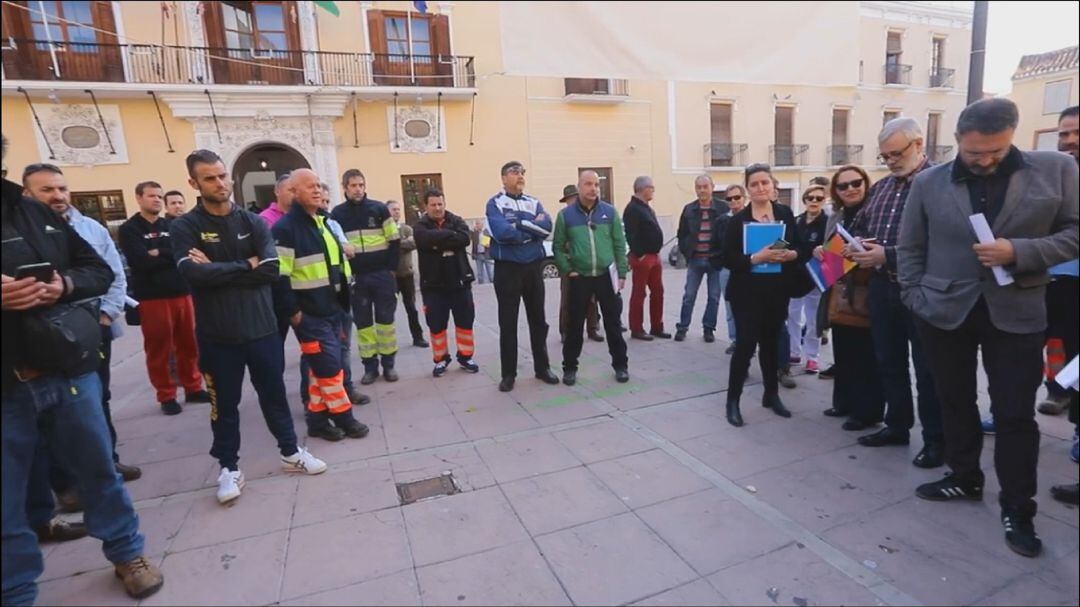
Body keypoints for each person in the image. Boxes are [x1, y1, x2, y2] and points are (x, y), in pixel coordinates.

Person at [899, 98, 1079, 557]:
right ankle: (964, 477)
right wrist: (915, 297)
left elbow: (1075, 232)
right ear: (958, 140)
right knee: (954, 400)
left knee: (1014, 415)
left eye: (995, 152)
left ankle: (1018, 508)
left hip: (1016, 313)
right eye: (974, 153)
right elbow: (911, 246)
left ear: (1012, 135)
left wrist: (1018, 251)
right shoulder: (928, 182)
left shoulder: (1055, 169)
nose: (984, 161)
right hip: (943, 311)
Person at [2, 134, 164, 604]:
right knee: (7, 497)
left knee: (98, 469)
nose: (57, 196)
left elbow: (98, 268)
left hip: (65, 370)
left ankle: (126, 552)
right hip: (6, 386)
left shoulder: (32, 213)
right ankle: (16, 589)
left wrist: (64, 285)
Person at [172, 154, 328, 503]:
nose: (220, 183)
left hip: (262, 330)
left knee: (274, 396)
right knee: (224, 406)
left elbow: (271, 269)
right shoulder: (186, 227)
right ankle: (228, 468)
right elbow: (193, 273)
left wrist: (220, 269)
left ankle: (291, 453)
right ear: (194, 184)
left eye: (223, 176)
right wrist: (247, 265)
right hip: (217, 336)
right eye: (210, 178)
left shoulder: (254, 222)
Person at [22, 164, 141, 487]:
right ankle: (66, 483)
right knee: (49, 411)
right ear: (26, 193)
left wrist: (106, 315)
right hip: (39, 337)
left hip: (91, 329)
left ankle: (108, 462)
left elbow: (112, 272)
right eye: (47, 190)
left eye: (61, 188)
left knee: (97, 399)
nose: (57, 196)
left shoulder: (89, 228)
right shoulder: (20, 233)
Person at [849, 117, 944, 469]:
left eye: (895, 154)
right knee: (889, 363)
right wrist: (854, 245)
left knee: (927, 370)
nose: (889, 161)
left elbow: (945, 244)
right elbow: (862, 227)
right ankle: (897, 425)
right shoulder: (882, 188)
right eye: (884, 156)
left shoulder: (940, 184)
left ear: (919, 144)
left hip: (920, 292)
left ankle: (936, 440)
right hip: (882, 288)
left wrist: (886, 254)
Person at [722, 163, 805, 427]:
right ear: (748, 189)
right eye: (755, 184)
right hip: (746, 294)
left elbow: (797, 244)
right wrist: (756, 257)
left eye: (765, 183)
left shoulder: (784, 213)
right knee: (745, 346)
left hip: (776, 291)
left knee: (770, 345)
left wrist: (791, 254)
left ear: (773, 186)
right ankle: (732, 401)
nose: (760, 188)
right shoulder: (737, 221)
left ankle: (771, 395)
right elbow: (727, 258)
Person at [119, 180, 208, 415]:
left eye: (159, 196)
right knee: (160, 348)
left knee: (189, 344)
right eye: (151, 196)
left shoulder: (172, 225)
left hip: (182, 292)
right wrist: (167, 256)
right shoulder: (130, 229)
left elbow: (185, 253)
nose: (157, 200)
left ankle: (192, 386)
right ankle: (166, 395)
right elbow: (140, 261)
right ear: (139, 198)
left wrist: (160, 252)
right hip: (152, 297)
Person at [816, 166, 886, 431]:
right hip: (841, 288)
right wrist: (821, 252)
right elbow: (830, 249)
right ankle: (844, 402)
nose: (850, 189)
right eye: (843, 186)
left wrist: (855, 249)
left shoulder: (875, 213)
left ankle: (867, 412)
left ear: (866, 184)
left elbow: (879, 247)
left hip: (867, 289)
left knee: (866, 354)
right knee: (843, 350)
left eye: (856, 183)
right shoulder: (837, 216)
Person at [485, 161, 561, 392]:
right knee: (507, 323)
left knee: (538, 320)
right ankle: (508, 373)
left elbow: (546, 227)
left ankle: (542, 367)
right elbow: (502, 232)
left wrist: (518, 225)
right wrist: (529, 228)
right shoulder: (494, 203)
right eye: (515, 172)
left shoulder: (533, 202)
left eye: (522, 172)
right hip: (507, 269)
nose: (520, 176)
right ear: (503, 177)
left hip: (533, 268)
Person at [294, 190, 370, 414]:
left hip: (340, 297)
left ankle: (344, 389)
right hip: (314, 302)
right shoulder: (297, 228)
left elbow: (349, 250)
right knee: (314, 355)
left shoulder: (330, 224)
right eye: (320, 201)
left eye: (326, 201)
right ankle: (311, 400)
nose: (324, 205)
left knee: (342, 349)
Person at [554, 170, 630, 385]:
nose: (593, 188)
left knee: (613, 324)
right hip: (580, 277)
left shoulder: (610, 212)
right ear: (579, 187)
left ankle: (621, 366)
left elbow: (619, 243)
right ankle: (569, 369)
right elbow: (558, 247)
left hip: (606, 276)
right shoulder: (565, 216)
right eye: (588, 184)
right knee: (574, 326)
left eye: (596, 184)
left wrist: (621, 273)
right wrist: (568, 269)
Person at [331, 170, 401, 384]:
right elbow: (333, 244)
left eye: (361, 184)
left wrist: (390, 269)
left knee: (386, 323)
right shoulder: (337, 214)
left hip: (382, 276)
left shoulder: (379, 209)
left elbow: (395, 240)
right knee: (363, 325)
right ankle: (370, 367)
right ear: (345, 187)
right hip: (357, 279)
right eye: (353, 185)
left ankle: (389, 366)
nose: (358, 189)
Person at [414, 189, 479, 376]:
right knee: (436, 325)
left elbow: (465, 238)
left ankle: (466, 357)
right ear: (425, 206)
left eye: (440, 204)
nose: (438, 208)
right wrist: (450, 238)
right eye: (433, 205)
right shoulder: (420, 226)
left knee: (465, 322)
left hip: (459, 282)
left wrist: (438, 241)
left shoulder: (456, 220)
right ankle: (440, 360)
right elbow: (424, 239)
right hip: (433, 286)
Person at [1050, 105, 1079, 506]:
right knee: (1058, 358)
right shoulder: (1056, 177)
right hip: (1050, 279)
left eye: (1076, 133)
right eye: (1064, 134)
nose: (1070, 141)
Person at [675, 174, 728, 343]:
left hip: (715, 261)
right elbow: (681, 233)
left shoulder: (723, 208)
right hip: (695, 260)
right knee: (689, 295)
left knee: (714, 297)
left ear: (712, 187)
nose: (702, 190)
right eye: (699, 187)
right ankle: (683, 327)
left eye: (705, 186)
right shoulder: (689, 209)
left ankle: (708, 329)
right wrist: (686, 252)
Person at [787, 184, 828, 372]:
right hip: (795, 276)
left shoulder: (829, 224)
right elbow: (786, 241)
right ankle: (793, 352)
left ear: (824, 200)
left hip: (816, 277)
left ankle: (812, 357)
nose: (814, 201)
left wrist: (824, 249)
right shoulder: (796, 221)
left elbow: (836, 247)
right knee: (792, 316)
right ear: (804, 200)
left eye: (819, 198)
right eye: (810, 198)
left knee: (813, 320)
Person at [623, 176, 669, 340]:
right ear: (643, 188)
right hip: (643, 257)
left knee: (658, 292)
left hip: (654, 256)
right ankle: (636, 328)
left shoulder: (646, 208)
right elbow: (631, 234)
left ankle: (657, 326)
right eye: (651, 187)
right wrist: (640, 254)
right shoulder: (632, 209)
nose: (653, 191)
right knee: (639, 292)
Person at [557, 184, 602, 344]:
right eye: (570, 199)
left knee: (591, 299)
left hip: (586, 264)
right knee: (567, 299)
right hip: (569, 263)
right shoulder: (563, 216)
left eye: (575, 198)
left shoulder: (586, 215)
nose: (573, 201)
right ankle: (565, 331)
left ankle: (592, 329)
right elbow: (559, 243)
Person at [389, 200, 428, 348]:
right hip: (390, 276)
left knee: (411, 307)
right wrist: (401, 243)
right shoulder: (383, 230)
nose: (397, 212)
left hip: (407, 275)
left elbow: (413, 243)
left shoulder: (406, 228)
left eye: (398, 209)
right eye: (393, 210)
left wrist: (394, 243)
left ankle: (418, 337)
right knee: (388, 310)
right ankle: (390, 342)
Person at [719, 184, 745, 353]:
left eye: (737, 197)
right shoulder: (722, 220)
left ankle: (749, 339)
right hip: (726, 269)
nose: (733, 201)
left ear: (744, 198)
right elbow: (715, 243)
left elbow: (784, 239)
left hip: (748, 268)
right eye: (729, 198)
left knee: (748, 307)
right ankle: (735, 340)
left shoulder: (752, 218)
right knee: (730, 307)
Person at [471, 219, 495, 285]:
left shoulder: (486, 232)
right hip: (478, 254)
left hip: (486, 254)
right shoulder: (474, 233)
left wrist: (488, 244)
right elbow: (468, 237)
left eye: (478, 224)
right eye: (476, 224)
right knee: (479, 272)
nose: (477, 225)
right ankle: (481, 284)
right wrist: (472, 231)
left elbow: (490, 242)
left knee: (489, 272)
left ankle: (492, 283)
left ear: (482, 225)